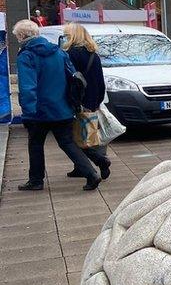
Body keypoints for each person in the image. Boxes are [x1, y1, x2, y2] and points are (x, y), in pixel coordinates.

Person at [13, 19, 100, 191]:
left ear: (22, 36)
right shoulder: (59, 52)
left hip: (39, 111)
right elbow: (73, 78)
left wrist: (28, 111)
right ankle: (91, 174)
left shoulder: (26, 56)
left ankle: (36, 180)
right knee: (67, 143)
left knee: (35, 145)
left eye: (17, 36)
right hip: (62, 108)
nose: (17, 38)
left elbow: (27, 86)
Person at [63, 23, 111, 180]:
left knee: (73, 137)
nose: (65, 37)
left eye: (67, 34)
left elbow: (70, 81)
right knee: (88, 134)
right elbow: (100, 81)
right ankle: (81, 167)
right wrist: (97, 100)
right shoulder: (93, 54)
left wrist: (73, 102)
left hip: (78, 101)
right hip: (92, 100)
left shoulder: (70, 54)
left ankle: (100, 162)